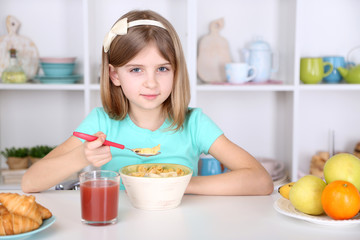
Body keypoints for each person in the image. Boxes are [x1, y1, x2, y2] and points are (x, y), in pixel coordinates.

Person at [22, 10, 274, 195]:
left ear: (176, 72)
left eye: (162, 68)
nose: (151, 83)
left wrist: (180, 184)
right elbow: (30, 182)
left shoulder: (194, 123)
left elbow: (261, 181)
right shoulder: (101, 123)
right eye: (136, 70)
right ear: (114, 75)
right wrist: (82, 156)